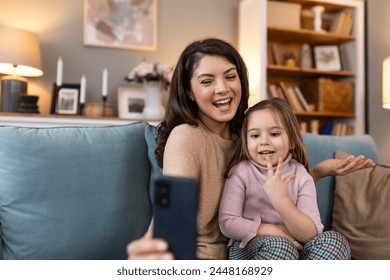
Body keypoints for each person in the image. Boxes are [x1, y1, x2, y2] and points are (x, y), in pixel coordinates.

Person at [126, 37, 374, 260]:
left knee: (334, 243)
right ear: (189, 92)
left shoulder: (250, 133)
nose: (222, 88)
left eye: (230, 76)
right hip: (211, 259)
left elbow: (278, 184)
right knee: (280, 248)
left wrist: (317, 173)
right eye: (207, 81)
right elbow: (173, 216)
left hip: (271, 249)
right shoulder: (186, 136)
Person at [219, 98, 349, 259]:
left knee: (335, 241)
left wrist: (280, 200)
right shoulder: (241, 172)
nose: (263, 142)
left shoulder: (300, 174)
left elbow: (310, 232)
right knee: (280, 246)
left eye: (274, 134)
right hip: (249, 248)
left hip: (297, 246)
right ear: (245, 141)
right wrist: (279, 232)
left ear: (292, 140)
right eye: (254, 135)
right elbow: (228, 223)